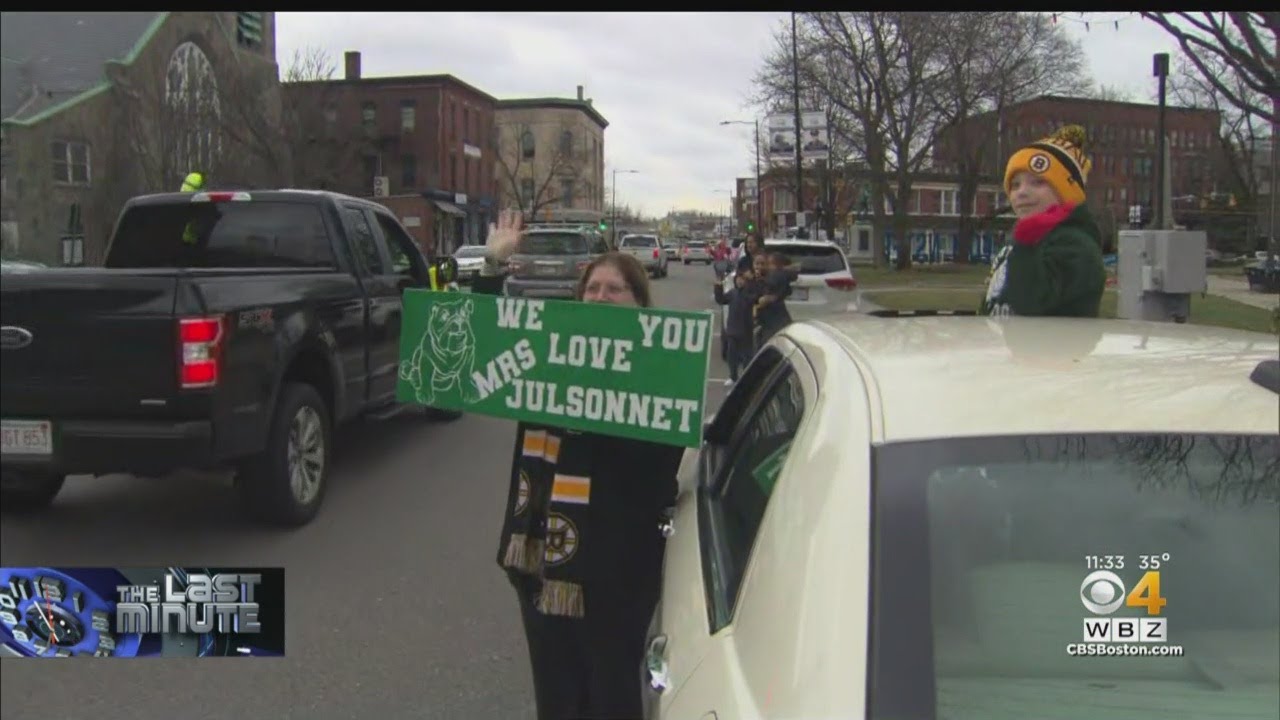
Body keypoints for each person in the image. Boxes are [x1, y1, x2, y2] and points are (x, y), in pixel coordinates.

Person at [487, 243, 685, 719]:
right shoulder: (544, 360)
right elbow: (484, 343)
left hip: (617, 575)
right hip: (541, 562)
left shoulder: (661, 372)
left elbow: (660, 474)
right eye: (592, 288)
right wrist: (493, 268)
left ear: (639, 302)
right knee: (557, 698)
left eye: (615, 289)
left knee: (612, 698)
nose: (600, 296)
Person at [982, 124, 1106, 317]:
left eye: (1038, 182)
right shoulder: (1021, 238)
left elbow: (1030, 303)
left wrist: (1025, 241)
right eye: (1015, 185)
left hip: (1050, 346)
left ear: (1067, 192)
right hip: (1003, 346)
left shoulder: (1077, 245)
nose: (1022, 192)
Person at [713, 265, 758, 386]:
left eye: (742, 279)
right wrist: (718, 286)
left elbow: (752, 299)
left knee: (746, 356)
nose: (739, 281)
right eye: (738, 278)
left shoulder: (749, 294)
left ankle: (747, 377)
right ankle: (733, 376)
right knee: (731, 355)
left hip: (745, 330)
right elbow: (721, 299)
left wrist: (750, 282)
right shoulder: (733, 293)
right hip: (732, 330)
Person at [754, 251, 794, 344]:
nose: (760, 267)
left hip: (773, 326)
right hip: (765, 325)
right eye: (757, 263)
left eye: (766, 264)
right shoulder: (760, 279)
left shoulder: (775, 278)